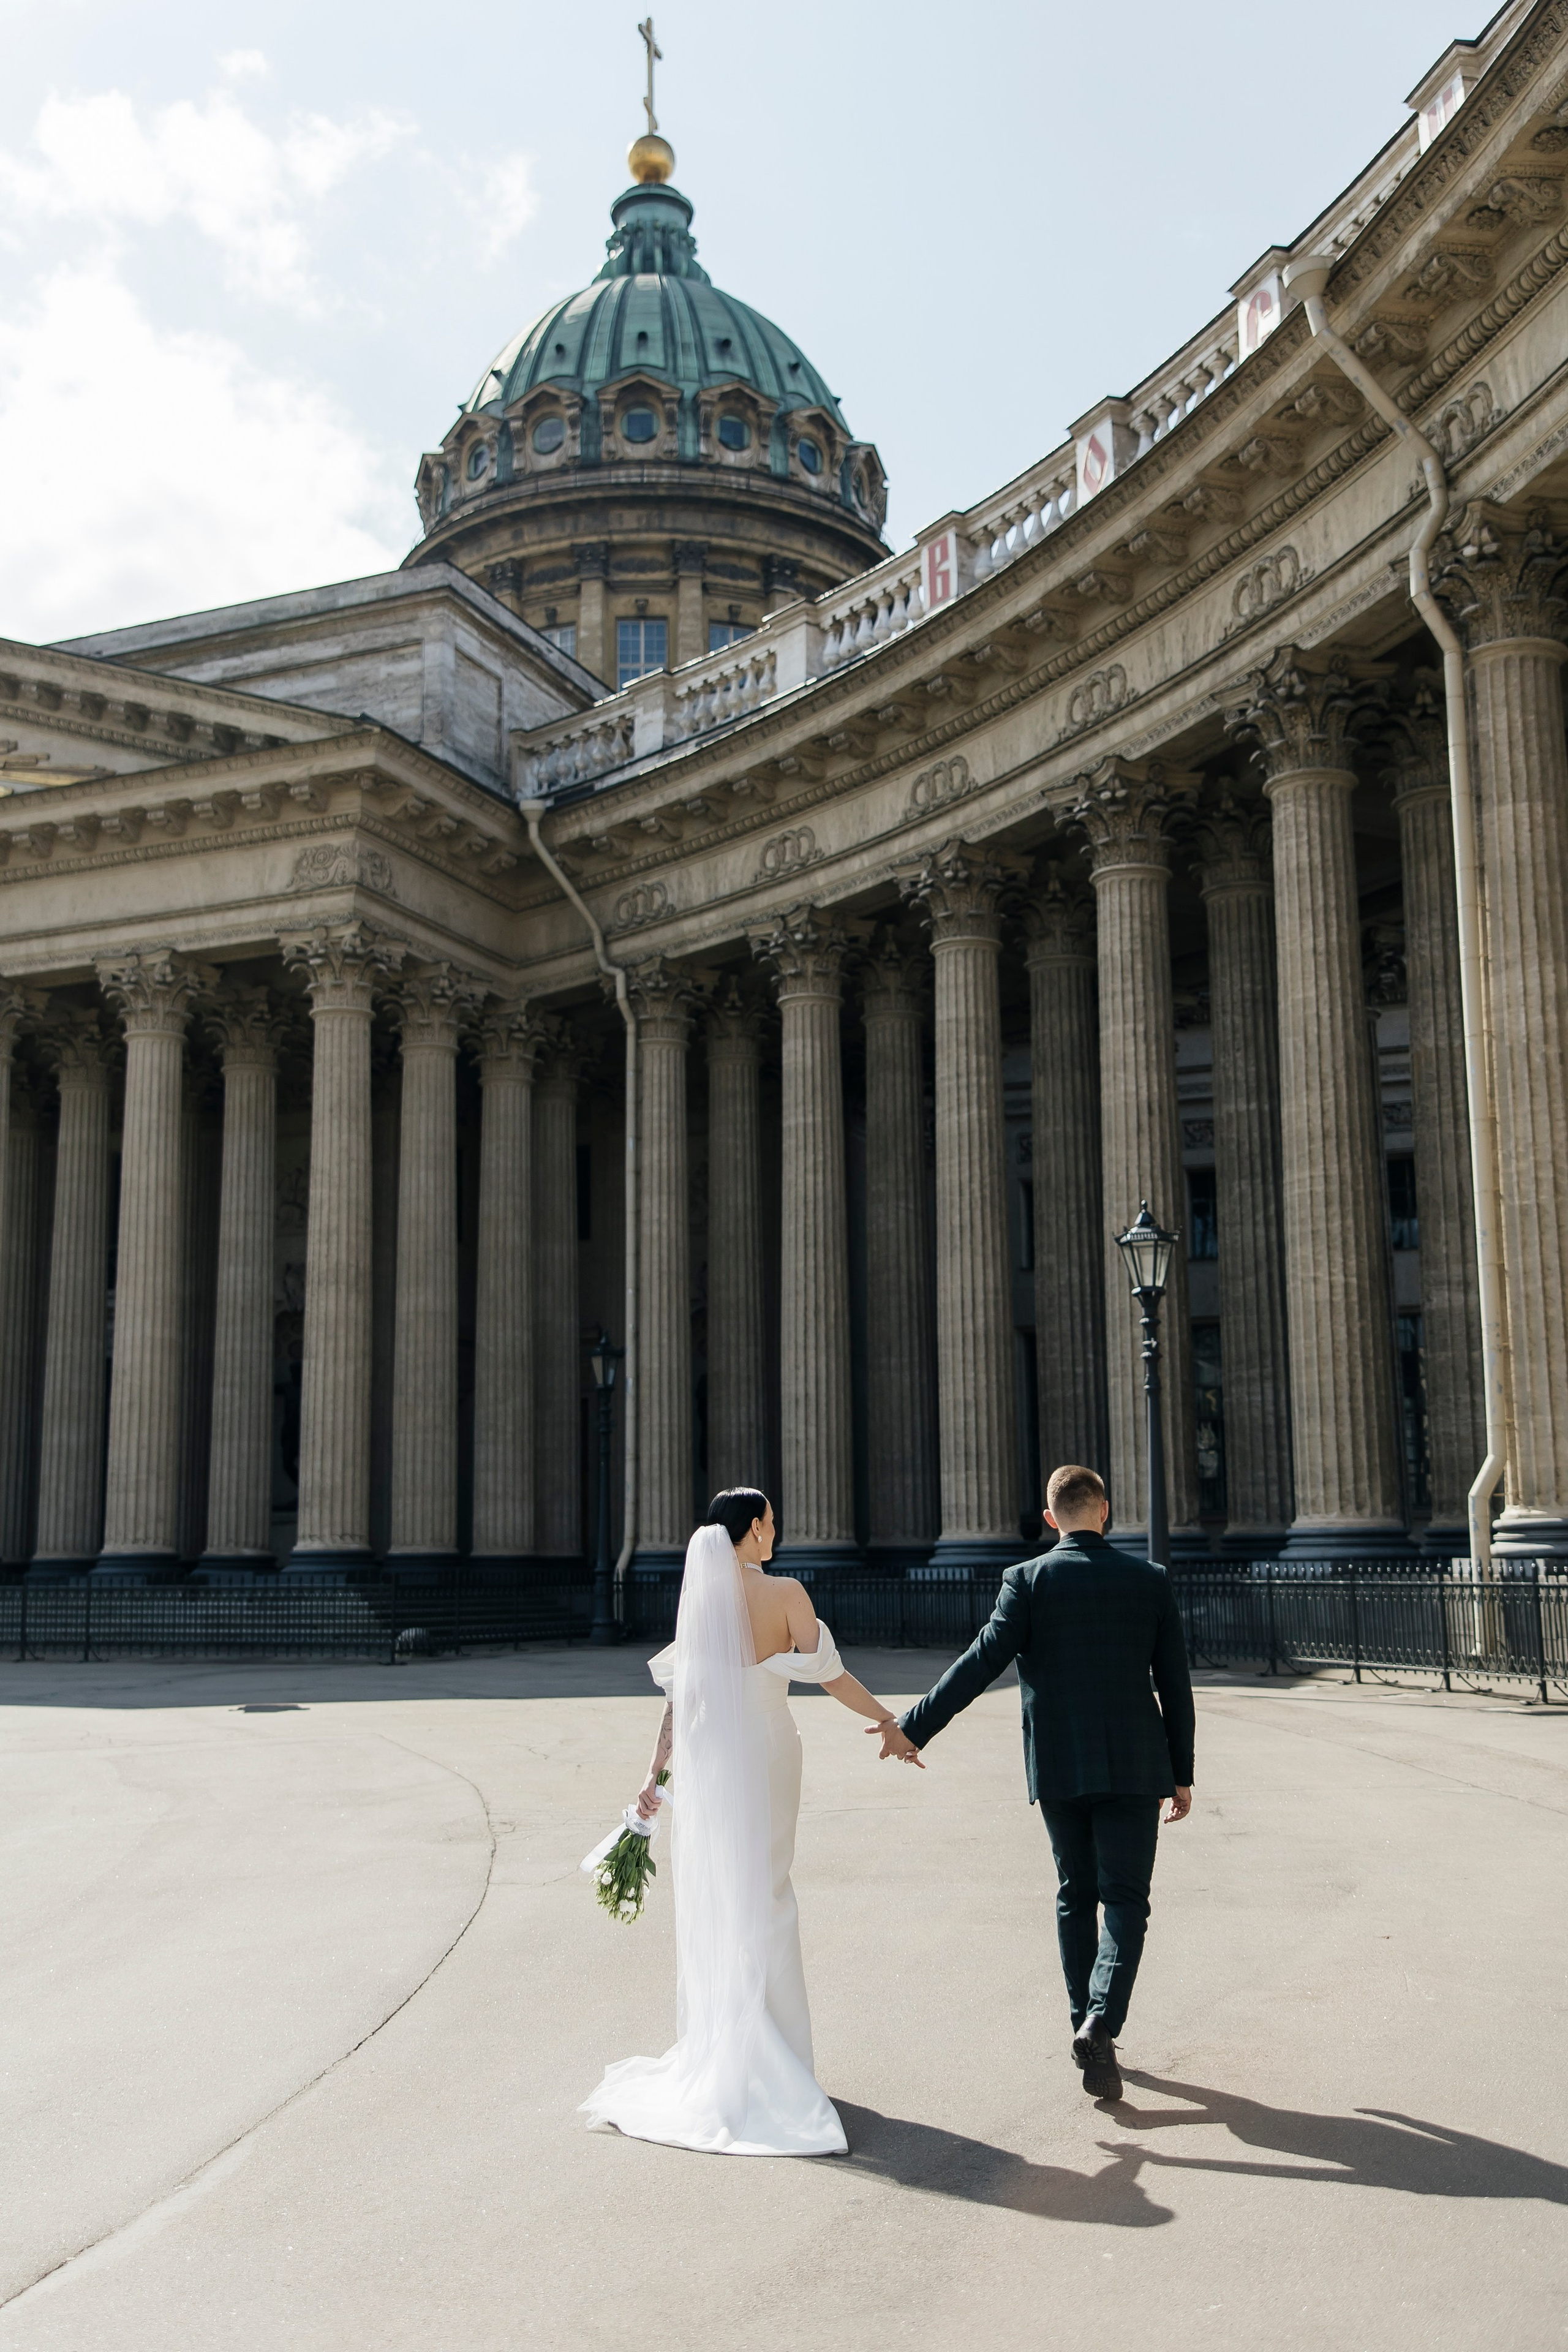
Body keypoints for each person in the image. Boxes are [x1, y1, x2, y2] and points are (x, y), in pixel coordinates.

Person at [581, 1487, 905, 2157]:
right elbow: (831, 1675)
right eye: (772, 1524)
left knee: (725, 1897)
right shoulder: (786, 1594)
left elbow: (682, 1699)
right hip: (766, 1748)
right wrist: (889, 1721)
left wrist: (654, 1774)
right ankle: (776, 2058)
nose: (775, 1533)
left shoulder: (701, 1599)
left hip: (711, 1757)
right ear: (754, 1529)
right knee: (769, 1892)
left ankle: (730, 2047)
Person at [879, 1463, 1196, 2103]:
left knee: (1076, 1894)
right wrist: (1181, 1774)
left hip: (1058, 1765)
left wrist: (914, 1727)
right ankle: (1100, 2021)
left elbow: (979, 1662)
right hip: (1135, 1765)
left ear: (1051, 1519)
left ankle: (1086, 2023)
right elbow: (1175, 1686)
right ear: (1104, 1511)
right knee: (1126, 1900)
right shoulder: (1148, 1580)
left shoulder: (1026, 1580)